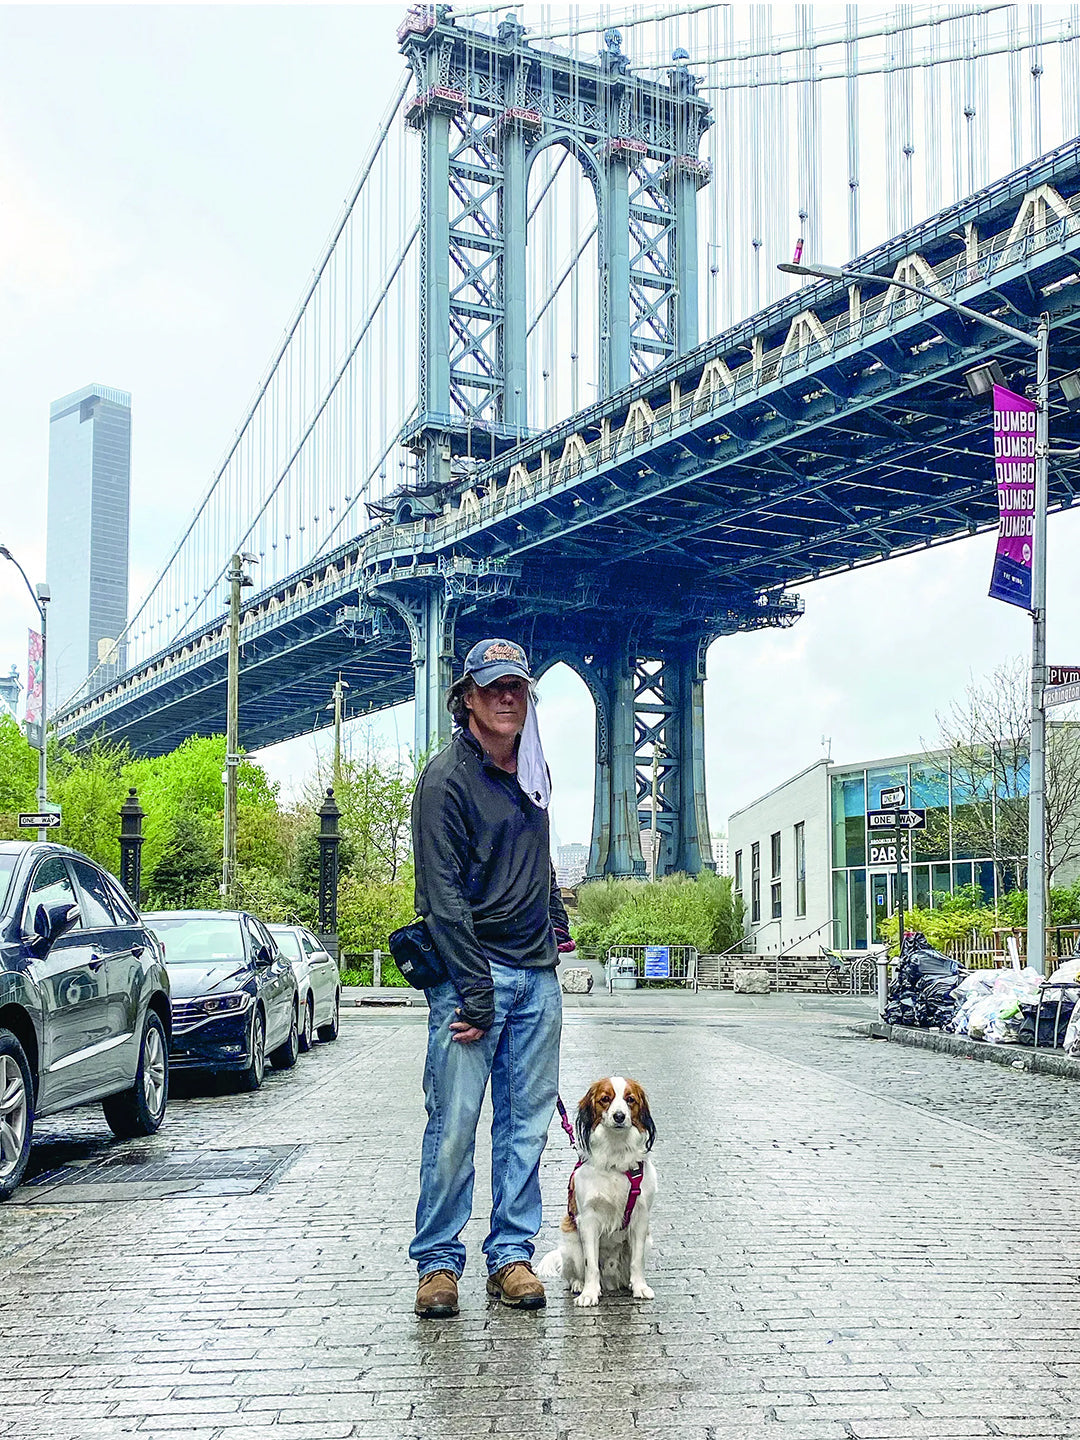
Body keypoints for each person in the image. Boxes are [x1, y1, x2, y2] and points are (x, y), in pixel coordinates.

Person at [409, 637, 573, 1318]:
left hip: (536, 976)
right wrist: (474, 992)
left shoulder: (533, 771)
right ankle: (438, 1263)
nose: (508, 697)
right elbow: (442, 897)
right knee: (454, 1125)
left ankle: (510, 1255)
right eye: (494, 686)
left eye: (518, 687)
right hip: (471, 979)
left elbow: (538, 862)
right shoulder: (444, 779)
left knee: (525, 1129)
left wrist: (558, 925)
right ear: (468, 697)